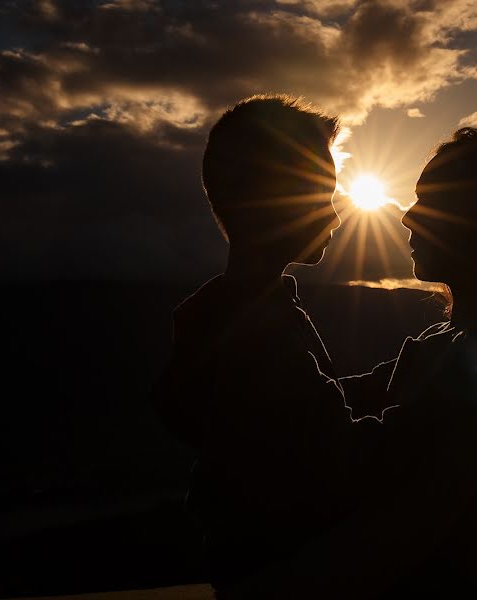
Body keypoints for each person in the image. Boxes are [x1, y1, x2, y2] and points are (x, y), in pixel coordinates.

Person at [231, 128, 477, 599]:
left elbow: (407, 520)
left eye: (430, 202)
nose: (408, 218)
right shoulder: (445, 342)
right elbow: (336, 403)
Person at [151, 95, 386, 595]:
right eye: (323, 194)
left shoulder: (240, 313)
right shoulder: (256, 330)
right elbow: (329, 443)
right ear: (269, 199)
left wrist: (400, 375)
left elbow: (311, 404)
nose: (338, 217)